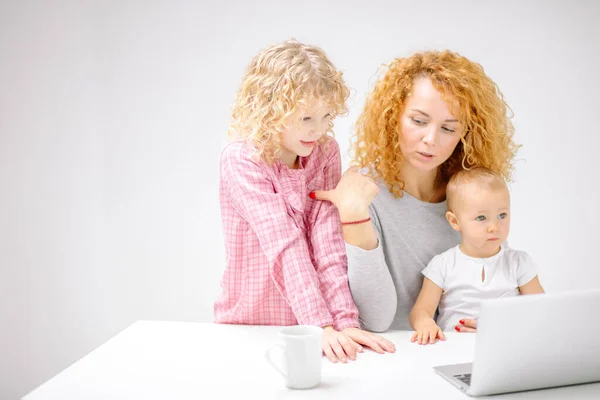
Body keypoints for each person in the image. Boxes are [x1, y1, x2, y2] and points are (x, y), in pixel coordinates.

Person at [311, 50, 520, 333]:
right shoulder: (363, 194)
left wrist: (492, 319)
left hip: (458, 351)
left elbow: (503, 285)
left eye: (448, 128)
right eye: (419, 121)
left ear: (465, 134)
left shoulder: (468, 192)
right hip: (394, 357)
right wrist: (354, 216)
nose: (430, 139)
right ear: (393, 116)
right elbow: (376, 320)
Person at [214, 39, 395, 363]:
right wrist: (320, 324)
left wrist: (343, 321)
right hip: (250, 325)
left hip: (317, 326)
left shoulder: (324, 152)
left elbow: (327, 239)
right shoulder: (242, 159)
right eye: (306, 119)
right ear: (270, 110)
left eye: (326, 117)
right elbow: (284, 243)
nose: (318, 130)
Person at [409, 167, 545, 345]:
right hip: (452, 347)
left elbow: (542, 310)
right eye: (481, 218)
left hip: (505, 345)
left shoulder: (519, 262)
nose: (494, 227)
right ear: (455, 221)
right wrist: (426, 324)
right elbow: (421, 311)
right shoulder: (442, 264)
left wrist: (503, 327)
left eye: (502, 215)